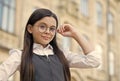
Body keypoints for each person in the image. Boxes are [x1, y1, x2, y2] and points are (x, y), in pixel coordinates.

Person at [0, 8, 100, 81]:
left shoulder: (62, 55)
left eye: (52, 29)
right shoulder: (20, 56)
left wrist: (75, 34)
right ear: (30, 28)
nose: (48, 32)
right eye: (42, 27)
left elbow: (94, 61)